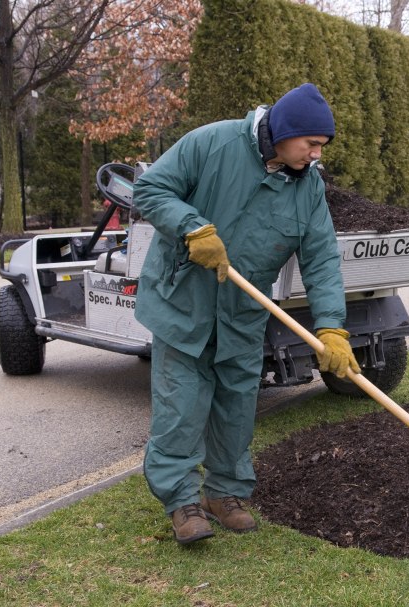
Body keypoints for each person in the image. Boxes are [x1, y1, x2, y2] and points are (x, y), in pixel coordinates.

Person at [132, 83, 360, 545]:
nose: (316, 155)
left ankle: (224, 494)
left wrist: (332, 326)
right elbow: (151, 189)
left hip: (243, 309)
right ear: (285, 132)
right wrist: (191, 227)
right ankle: (182, 502)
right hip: (185, 301)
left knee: (237, 405)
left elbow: (321, 259)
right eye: (311, 144)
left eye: (321, 147)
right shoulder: (212, 142)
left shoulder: (308, 187)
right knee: (182, 406)